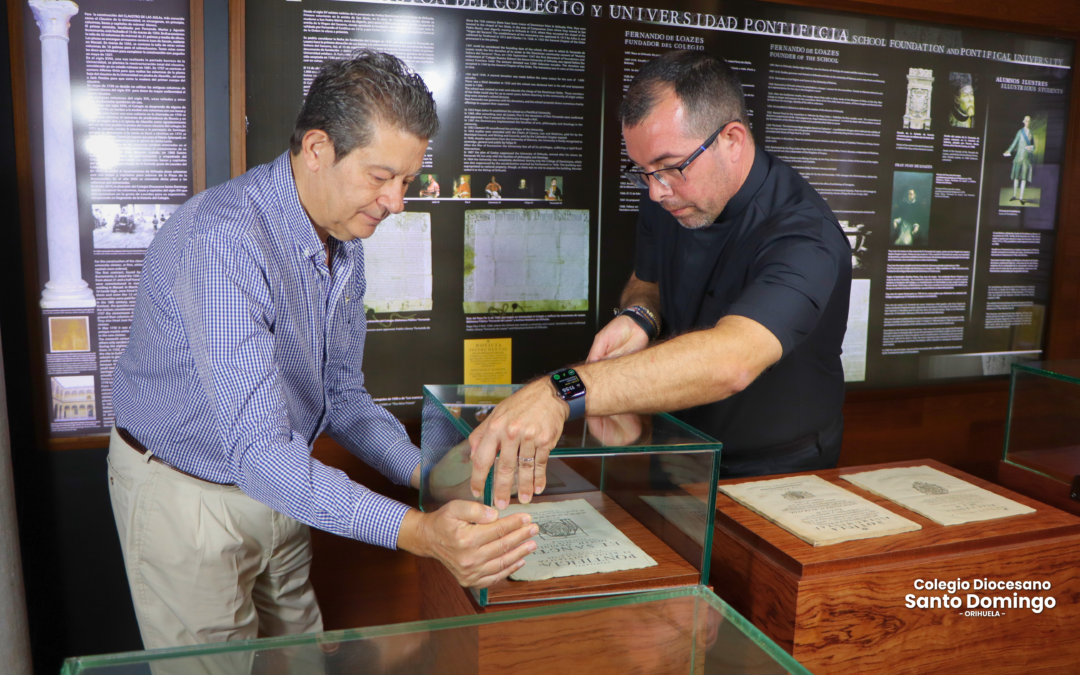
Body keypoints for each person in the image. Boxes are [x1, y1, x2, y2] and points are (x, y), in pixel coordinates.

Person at [108, 51, 538, 651]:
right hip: (192, 496)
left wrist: (429, 476)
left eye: (407, 181)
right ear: (317, 149)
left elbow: (340, 397)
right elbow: (258, 454)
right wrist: (421, 531)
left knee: (301, 653)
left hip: (289, 484)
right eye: (380, 176)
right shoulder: (223, 241)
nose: (396, 203)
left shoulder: (343, 234)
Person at [466, 50, 851, 509]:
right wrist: (640, 316)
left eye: (671, 167)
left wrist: (561, 391)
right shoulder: (666, 191)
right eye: (644, 172)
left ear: (732, 138)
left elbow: (732, 360)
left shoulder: (806, 234)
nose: (655, 191)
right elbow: (647, 280)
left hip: (773, 473)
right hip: (675, 446)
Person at [1005, 115, 1036, 204]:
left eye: (1028, 121)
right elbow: (1014, 143)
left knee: (1024, 179)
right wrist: (1009, 150)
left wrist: (1032, 149)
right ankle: (1014, 195)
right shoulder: (1020, 132)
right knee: (1016, 177)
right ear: (1023, 121)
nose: (1027, 122)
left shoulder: (1031, 133)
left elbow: (1034, 146)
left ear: (1030, 122)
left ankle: (1021, 198)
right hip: (1018, 157)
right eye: (1025, 121)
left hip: (1026, 159)